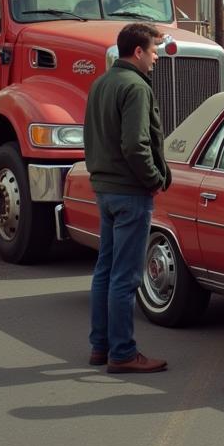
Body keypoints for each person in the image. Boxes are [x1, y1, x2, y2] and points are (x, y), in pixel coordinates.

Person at [85, 22, 171, 374]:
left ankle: (100, 346)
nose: (155, 59)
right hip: (130, 192)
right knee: (127, 276)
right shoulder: (136, 87)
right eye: (152, 52)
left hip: (105, 189)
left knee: (105, 270)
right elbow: (135, 145)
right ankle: (122, 353)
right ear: (137, 51)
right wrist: (153, 179)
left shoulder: (101, 83)